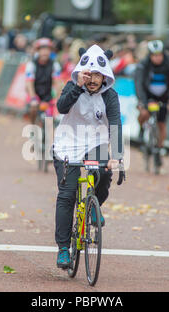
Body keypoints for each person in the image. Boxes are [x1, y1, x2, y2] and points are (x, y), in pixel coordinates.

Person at [52, 45, 124, 269]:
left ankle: (95, 206)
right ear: (82, 73)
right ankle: (64, 248)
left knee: (104, 174)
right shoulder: (73, 87)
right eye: (88, 74)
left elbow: (115, 124)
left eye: (97, 75)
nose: (93, 79)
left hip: (96, 141)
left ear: (105, 76)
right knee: (67, 195)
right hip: (68, 143)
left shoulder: (110, 95)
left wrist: (118, 158)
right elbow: (62, 107)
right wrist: (77, 85)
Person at [134, 40, 169, 171]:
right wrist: (142, 102)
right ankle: (142, 130)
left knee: (161, 125)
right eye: (154, 55)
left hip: (164, 97)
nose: (157, 58)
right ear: (150, 55)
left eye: (159, 55)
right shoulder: (143, 65)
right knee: (144, 114)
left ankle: (158, 150)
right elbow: (139, 84)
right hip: (148, 96)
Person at [25, 37, 61, 125]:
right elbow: (29, 83)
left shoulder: (55, 65)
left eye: (47, 49)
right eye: (42, 49)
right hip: (35, 93)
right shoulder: (31, 64)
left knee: (52, 117)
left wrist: (57, 97)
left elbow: (57, 82)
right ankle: (32, 125)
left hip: (48, 95)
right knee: (33, 107)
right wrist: (33, 97)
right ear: (38, 51)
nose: (45, 52)